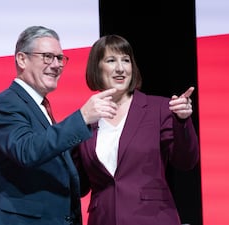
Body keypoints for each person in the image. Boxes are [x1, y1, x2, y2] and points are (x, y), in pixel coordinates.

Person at [0, 26, 119, 225]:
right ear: (22, 59)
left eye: (60, 58)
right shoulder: (4, 104)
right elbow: (26, 150)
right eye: (47, 56)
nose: (56, 64)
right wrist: (82, 117)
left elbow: (63, 171)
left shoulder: (42, 109)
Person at [71, 34, 200, 225]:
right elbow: (80, 185)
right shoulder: (86, 118)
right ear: (96, 67)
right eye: (111, 60)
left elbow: (186, 161)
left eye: (126, 60)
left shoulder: (159, 108)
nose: (120, 68)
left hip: (152, 218)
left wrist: (182, 121)